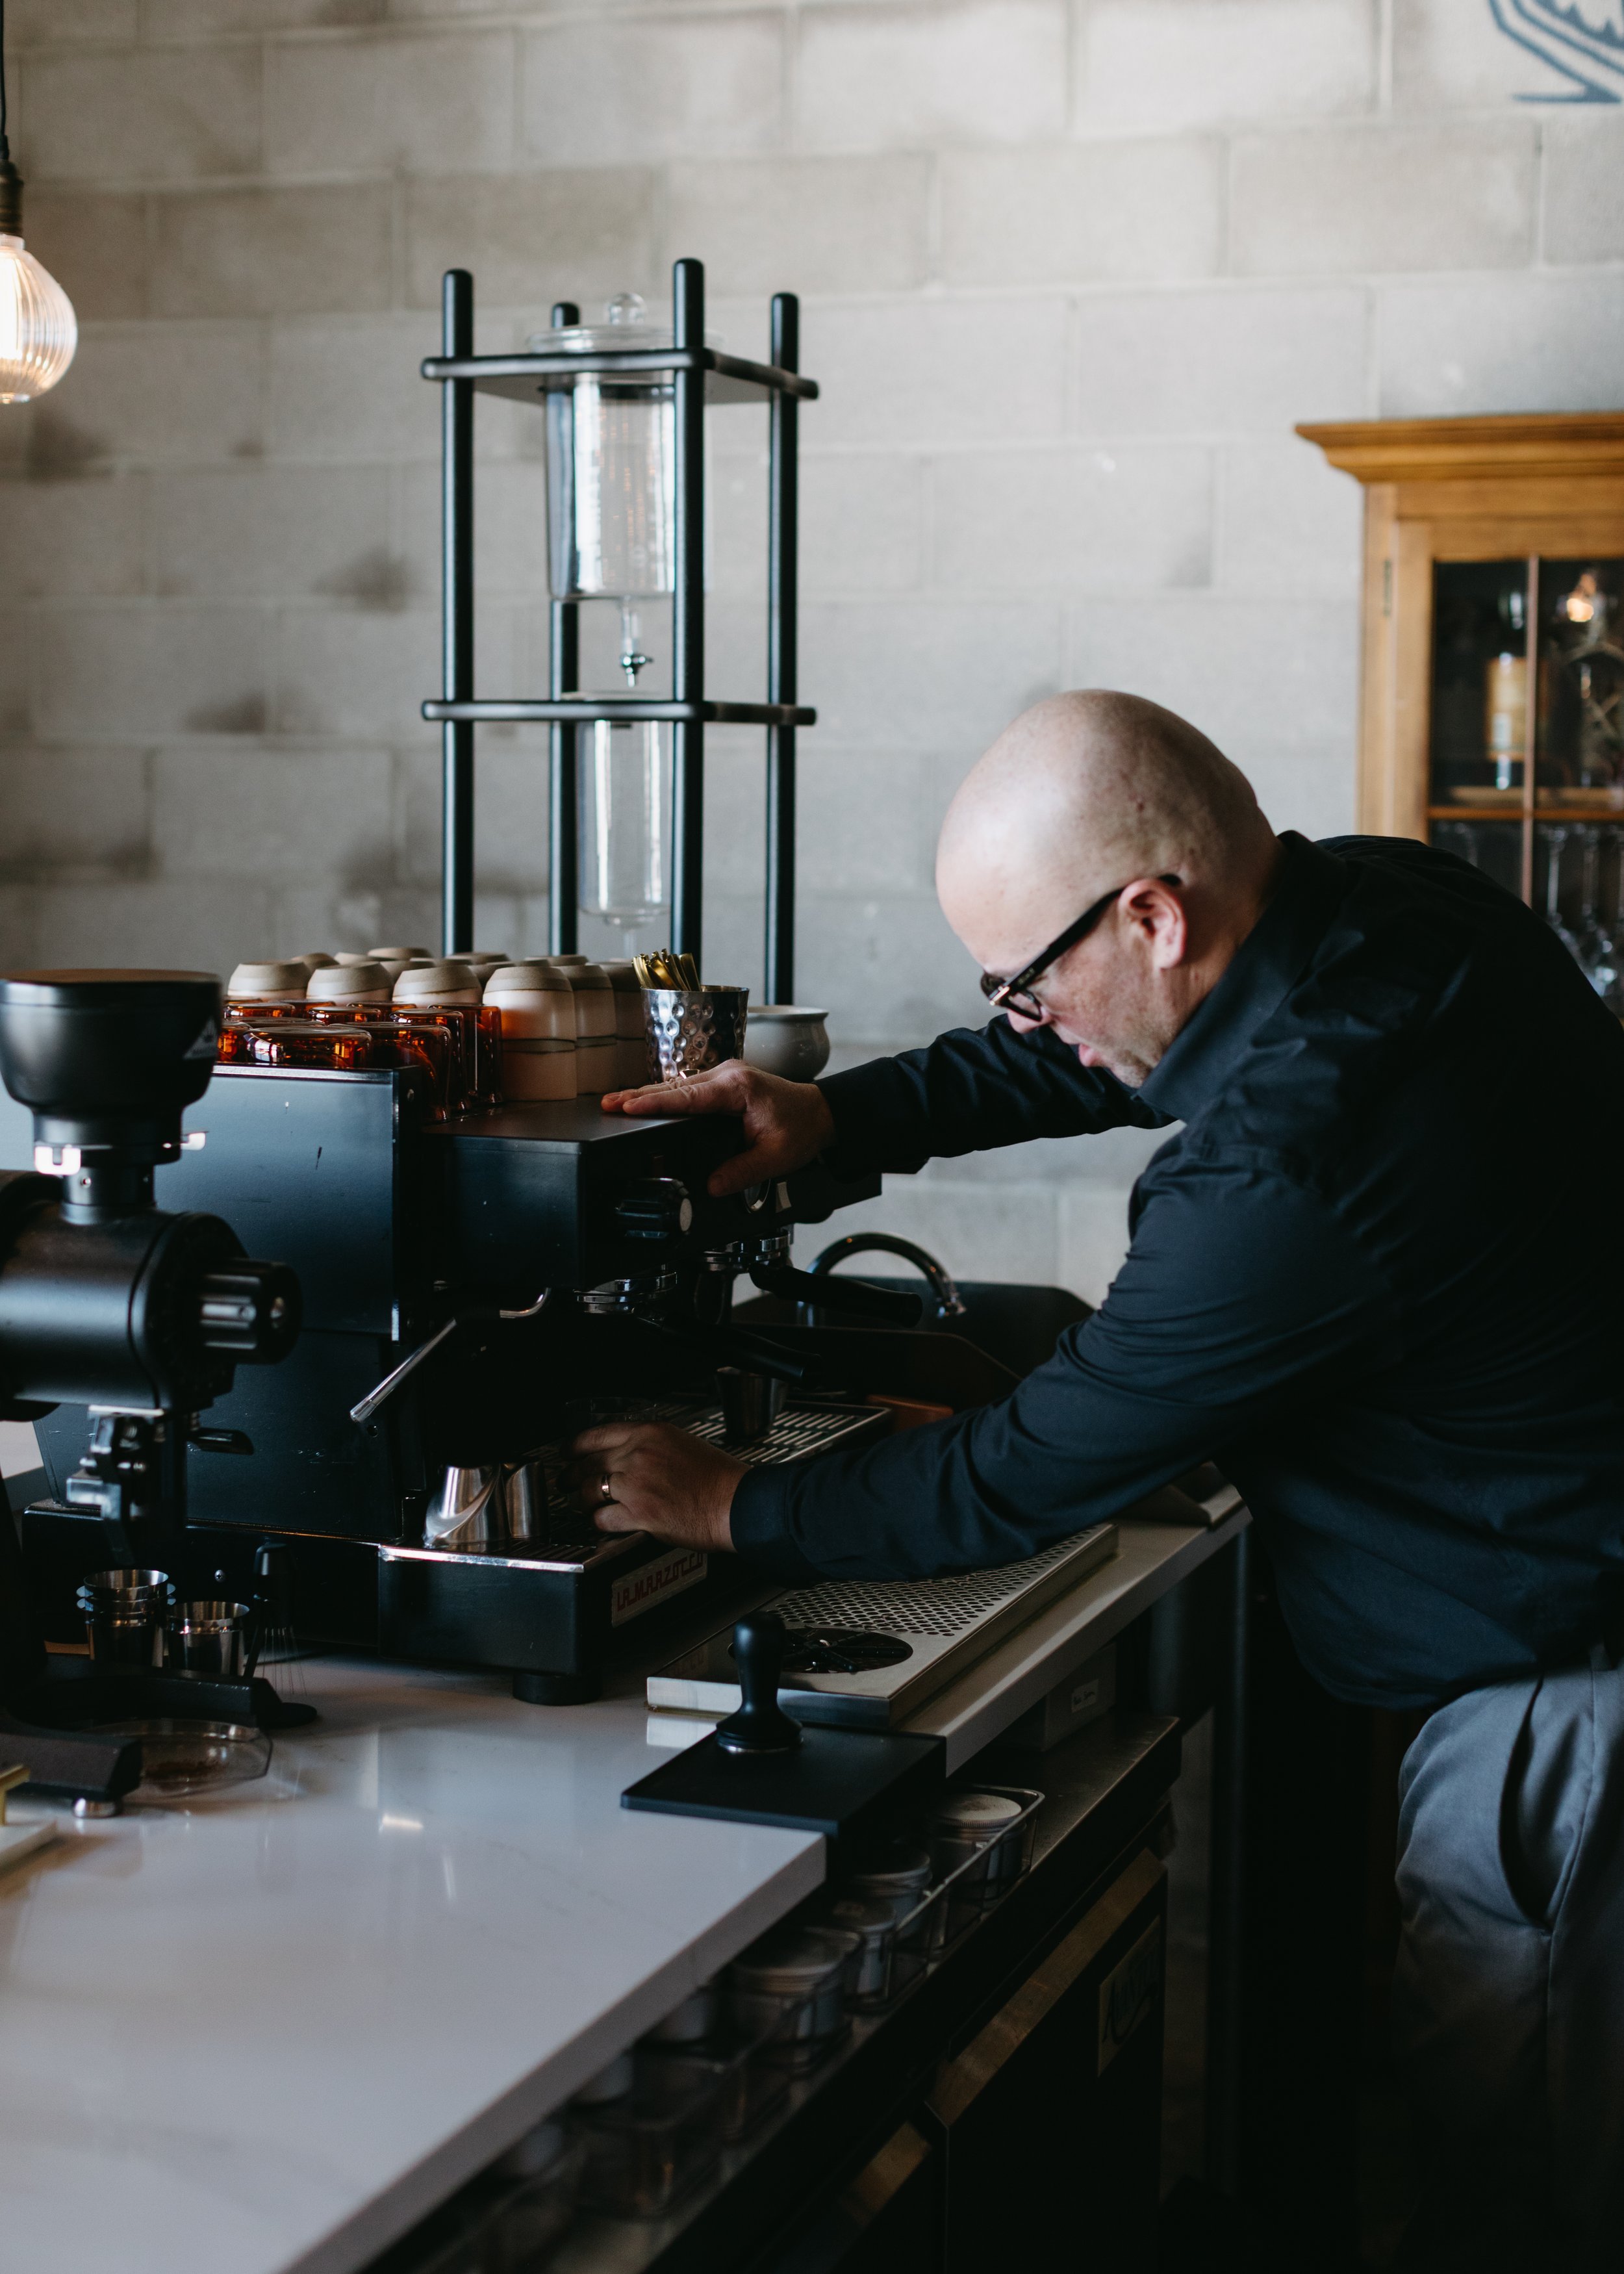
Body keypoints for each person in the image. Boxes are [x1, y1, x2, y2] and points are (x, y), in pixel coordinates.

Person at [574, 689, 1624, 2267]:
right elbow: (1093, 1054)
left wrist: (729, 1503)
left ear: (1149, 911)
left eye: (1019, 979)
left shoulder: (1280, 1173)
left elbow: (1016, 1474)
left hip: (1563, 1715)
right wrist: (832, 1116)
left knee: (1525, 2194)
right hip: (1566, 1616)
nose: (1017, 1018)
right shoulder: (1387, 900)